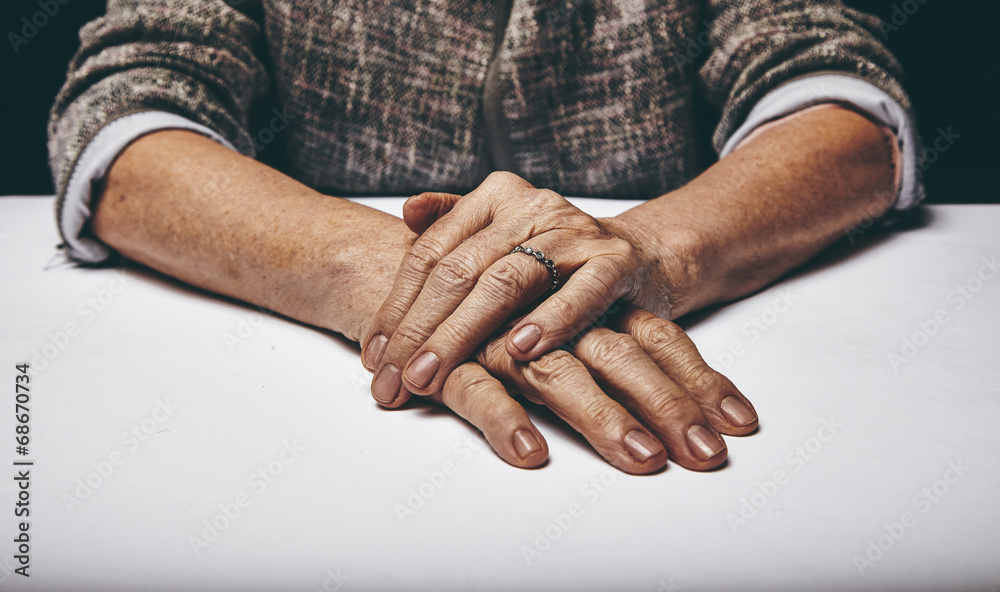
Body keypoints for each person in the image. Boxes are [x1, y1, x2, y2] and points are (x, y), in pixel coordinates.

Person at [48, 0, 922, 474]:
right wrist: (389, 269)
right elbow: (128, 98)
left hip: (624, 269)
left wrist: (650, 252)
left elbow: (833, 88)